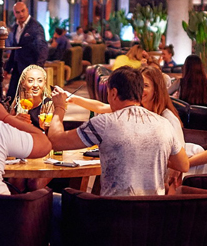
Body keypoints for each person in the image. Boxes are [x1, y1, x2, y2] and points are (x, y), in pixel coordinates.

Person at [47, 66, 189, 196]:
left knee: (58, 200)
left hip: (114, 210)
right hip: (152, 212)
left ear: (113, 93)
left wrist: (59, 108)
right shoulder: (164, 124)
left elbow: (55, 141)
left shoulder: (104, 122)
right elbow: (183, 164)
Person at [5, 2, 48, 103]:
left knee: (29, 99)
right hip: (17, 68)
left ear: (27, 10)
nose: (21, 14)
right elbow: (15, 49)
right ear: (14, 14)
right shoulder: (16, 27)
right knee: (11, 97)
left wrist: (37, 69)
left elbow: (42, 49)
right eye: (18, 12)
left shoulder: (36, 27)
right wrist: (7, 68)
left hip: (30, 68)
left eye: (23, 11)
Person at [11, 65, 54, 130]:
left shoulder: (48, 104)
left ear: (44, 83)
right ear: (23, 83)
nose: (35, 85)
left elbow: (52, 131)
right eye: (31, 81)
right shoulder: (18, 101)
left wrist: (45, 127)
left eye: (40, 81)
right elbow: (7, 125)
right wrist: (14, 120)